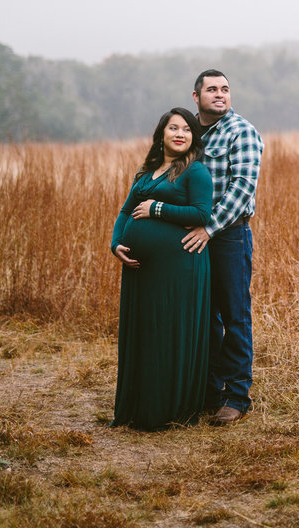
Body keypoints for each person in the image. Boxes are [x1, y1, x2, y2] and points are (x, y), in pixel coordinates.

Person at [110, 107, 213, 431]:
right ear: (162, 135)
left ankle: (167, 408)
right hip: (141, 270)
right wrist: (116, 244)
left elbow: (201, 214)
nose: (180, 133)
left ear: (193, 137)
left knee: (168, 332)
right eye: (173, 128)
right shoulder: (146, 172)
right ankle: (139, 404)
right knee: (145, 333)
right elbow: (126, 211)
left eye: (186, 129)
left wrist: (157, 208)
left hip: (178, 269)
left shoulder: (195, 172)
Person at [181, 69, 263, 426]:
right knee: (204, 316)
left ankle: (236, 396)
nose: (220, 95)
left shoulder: (241, 131)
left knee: (234, 315)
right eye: (212, 89)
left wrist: (208, 229)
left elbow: (242, 189)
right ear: (196, 96)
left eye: (226, 89)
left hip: (227, 235)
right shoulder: (185, 132)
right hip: (194, 235)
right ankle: (209, 391)